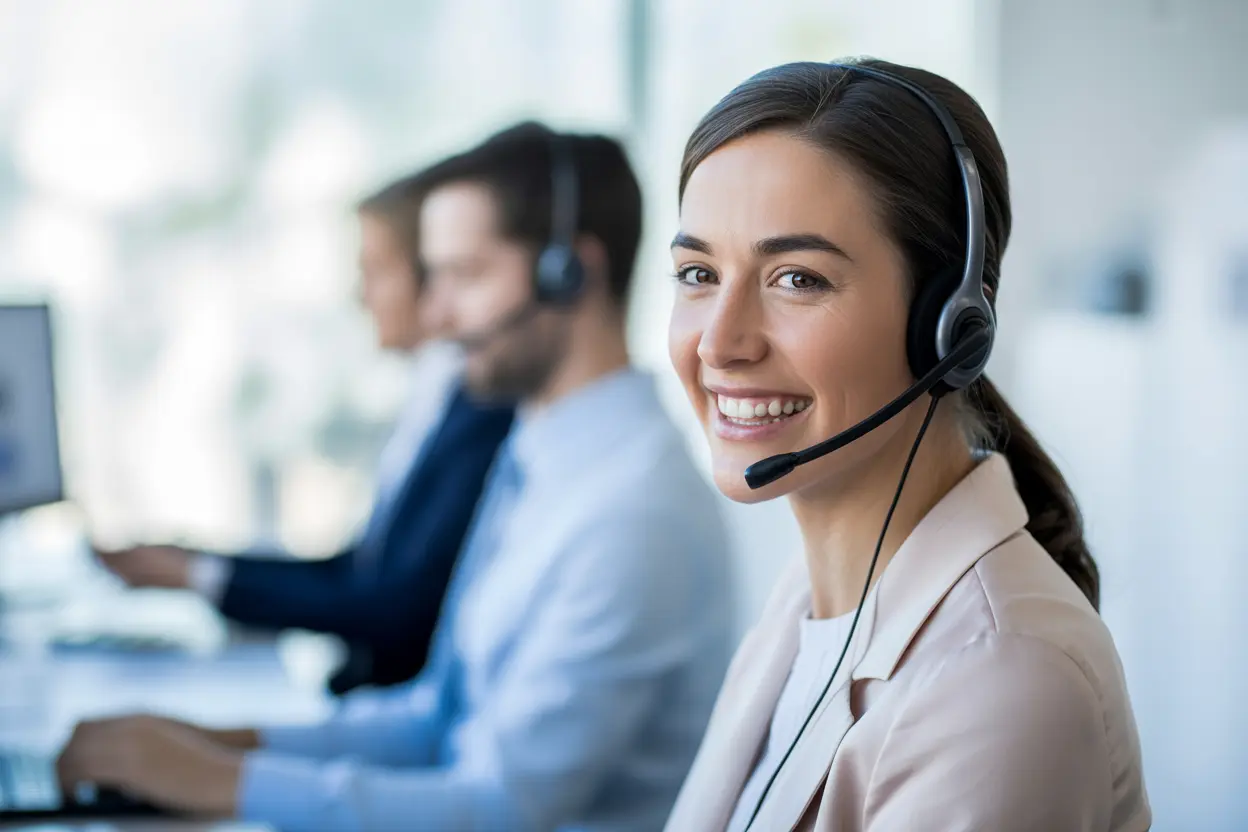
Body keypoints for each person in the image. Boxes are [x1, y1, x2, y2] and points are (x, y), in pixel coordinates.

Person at [58, 122, 734, 831]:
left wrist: (224, 781)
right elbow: (435, 717)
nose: (436, 315)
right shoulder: (539, 462)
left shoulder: (630, 511)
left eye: (465, 276)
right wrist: (214, 744)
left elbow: (504, 805)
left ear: (570, 273)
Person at [662, 60, 1150, 831]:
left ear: (950, 330)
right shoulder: (811, 601)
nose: (718, 344)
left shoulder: (1002, 682)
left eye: (797, 279)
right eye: (697, 272)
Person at [95, 175, 516, 696]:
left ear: (430, 278)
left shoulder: (481, 412)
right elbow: (362, 568)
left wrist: (199, 579)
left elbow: (394, 606)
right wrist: (199, 565)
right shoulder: (437, 397)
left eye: (374, 271)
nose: (358, 295)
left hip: (388, 707)